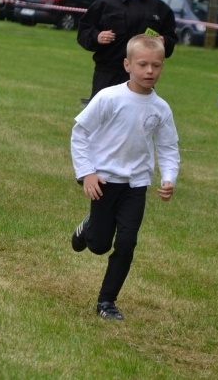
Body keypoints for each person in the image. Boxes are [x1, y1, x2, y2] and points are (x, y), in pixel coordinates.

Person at [70, 34, 180, 321]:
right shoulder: (109, 97)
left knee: (127, 242)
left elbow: (168, 147)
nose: (149, 72)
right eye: (142, 64)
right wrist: (88, 173)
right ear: (127, 64)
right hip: (104, 182)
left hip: (136, 186)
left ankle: (107, 301)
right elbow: (80, 133)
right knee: (99, 245)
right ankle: (88, 227)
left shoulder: (162, 108)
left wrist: (168, 177)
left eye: (156, 66)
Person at [77, 0, 178, 98]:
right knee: (103, 118)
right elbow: (83, 32)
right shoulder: (104, 3)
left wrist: (164, 41)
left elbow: (171, 38)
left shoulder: (157, 7)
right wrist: (97, 37)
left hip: (142, 77)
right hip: (108, 74)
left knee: (138, 119)